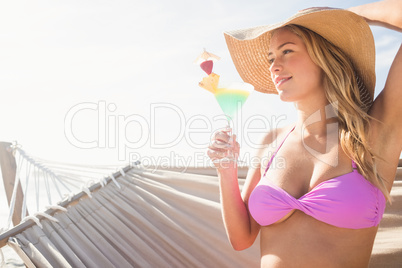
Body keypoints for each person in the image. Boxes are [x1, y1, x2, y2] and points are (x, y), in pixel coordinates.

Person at [207, 0, 402, 267]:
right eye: (271, 58)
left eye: (287, 51)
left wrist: (345, 17)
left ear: (324, 58)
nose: (274, 66)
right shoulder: (272, 141)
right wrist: (225, 171)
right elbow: (242, 238)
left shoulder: (374, 134)